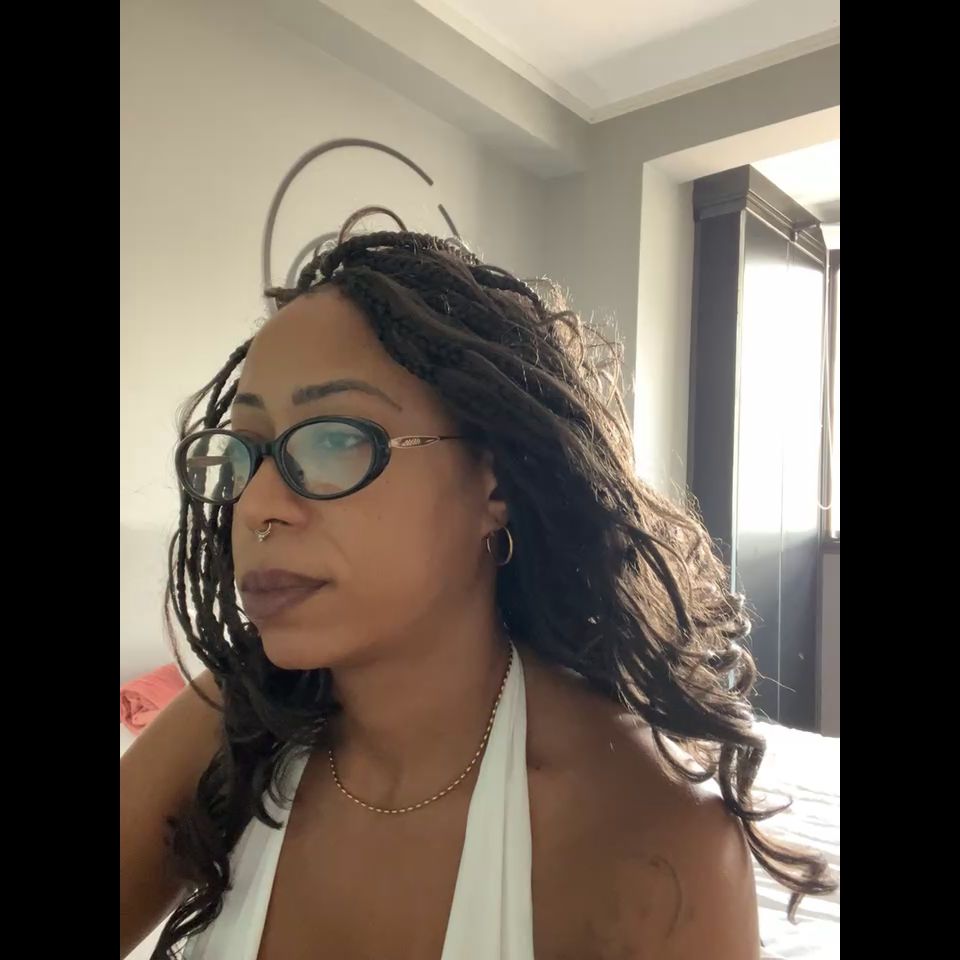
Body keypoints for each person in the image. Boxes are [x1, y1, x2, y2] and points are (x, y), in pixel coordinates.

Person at [120, 208, 835, 960]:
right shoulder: (232, 724)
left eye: (334, 440)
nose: (256, 506)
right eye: (243, 452)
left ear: (493, 482)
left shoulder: (652, 839)